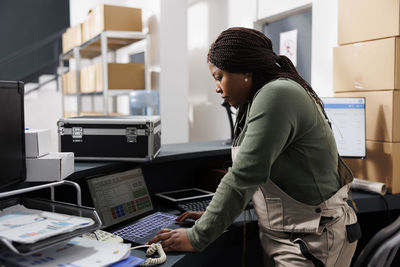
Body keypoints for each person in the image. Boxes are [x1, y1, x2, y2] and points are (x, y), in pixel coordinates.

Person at [148, 27, 361, 266]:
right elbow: (263, 174)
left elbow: (244, 175)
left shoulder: (277, 93)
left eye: (219, 77)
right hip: (287, 233)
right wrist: (213, 216)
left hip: (314, 238)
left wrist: (198, 235)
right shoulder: (256, 100)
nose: (217, 88)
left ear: (245, 71)